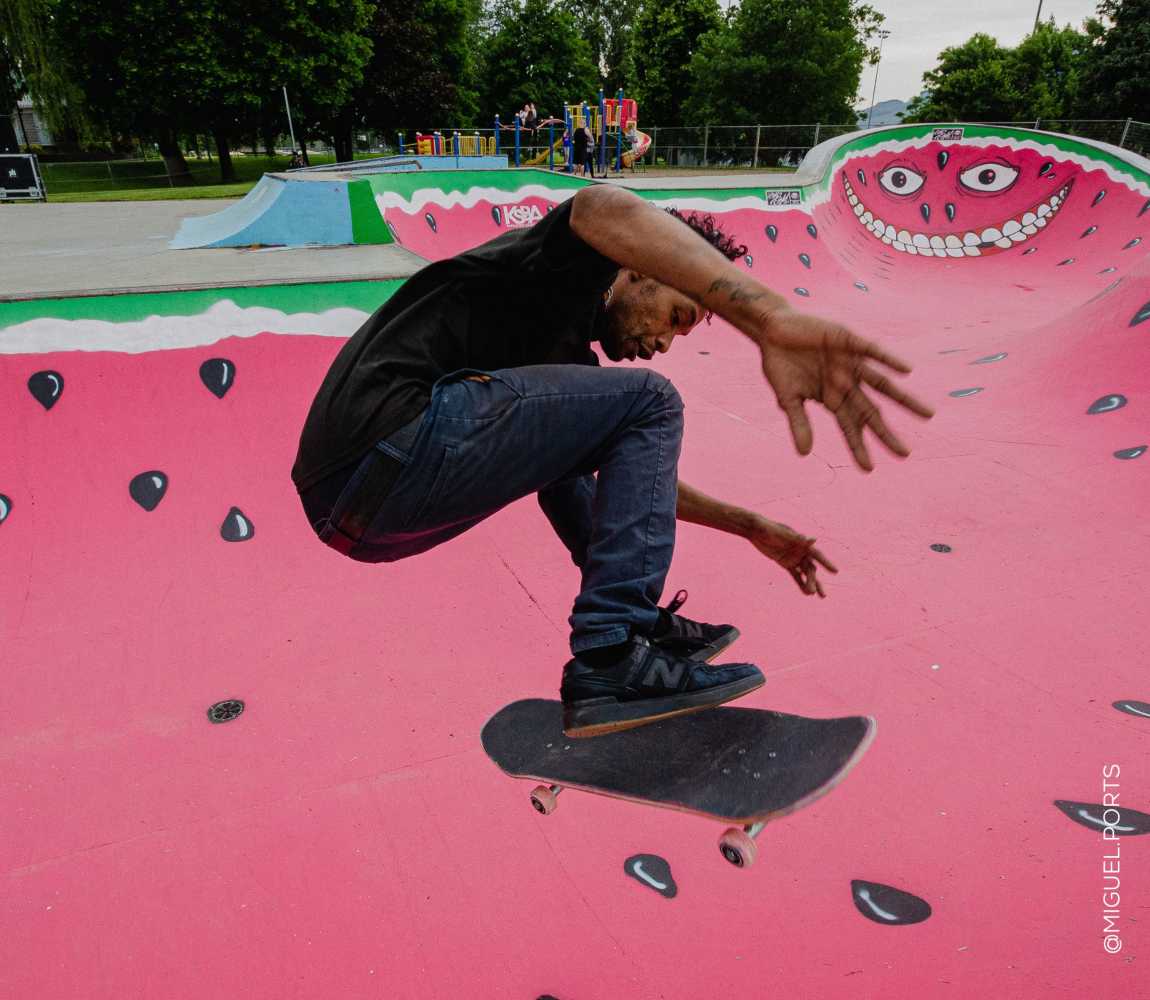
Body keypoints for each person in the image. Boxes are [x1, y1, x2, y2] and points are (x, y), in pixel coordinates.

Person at [292, 186, 934, 737]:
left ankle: (633, 627)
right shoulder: (565, 270)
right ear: (636, 270)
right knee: (651, 401)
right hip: (389, 438)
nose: (662, 343)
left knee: (580, 457)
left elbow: (637, 484)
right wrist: (771, 320)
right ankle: (612, 650)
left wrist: (752, 527)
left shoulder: (565, 364)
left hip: (364, 509)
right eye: (675, 317)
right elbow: (602, 206)